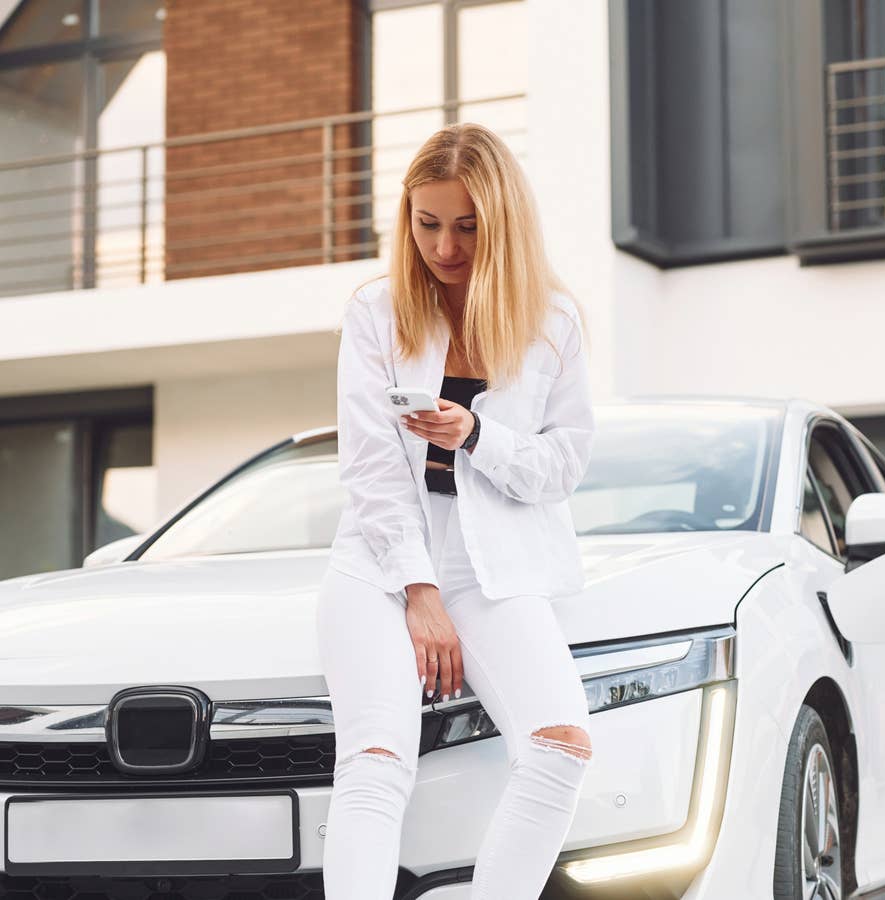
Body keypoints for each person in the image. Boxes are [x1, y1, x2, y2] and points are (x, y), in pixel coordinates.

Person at [316, 122, 596, 899]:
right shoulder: (376, 312)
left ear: (502, 222)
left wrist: (478, 434)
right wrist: (420, 591)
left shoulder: (554, 323)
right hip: (378, 568)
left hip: (493, 568)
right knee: (376, 763)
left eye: (467, 226)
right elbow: (371, 469)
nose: (444, 246)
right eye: (427, 223)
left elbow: (563, 465)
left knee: (561, 746)